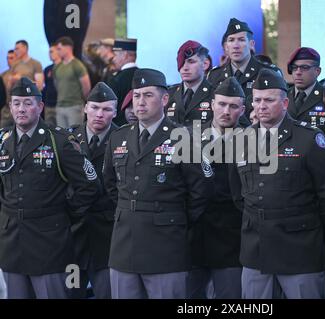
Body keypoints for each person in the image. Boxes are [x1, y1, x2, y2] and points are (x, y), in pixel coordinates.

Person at [229, 69, 325, 299]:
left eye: (269, 100)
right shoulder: (241, 139)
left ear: (285, 102)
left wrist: (309, 229)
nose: (261, 106)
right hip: (257, 249)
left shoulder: (308, 139)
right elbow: (239, 195)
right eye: (257, 100)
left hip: (300, 249)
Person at [103, 68, 210, 299]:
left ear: (164, 99)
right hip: (124, 243)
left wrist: (174, 220)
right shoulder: (118, 137)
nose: (140, 102)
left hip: (165, 244)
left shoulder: (182, 137)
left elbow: (199, 191)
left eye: (148, 95)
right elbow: (111, 185)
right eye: (137, 95)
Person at [0, 77, 99, 299]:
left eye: (27, 103)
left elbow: (90, 185)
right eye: (16, 103)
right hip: (11, 244)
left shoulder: (59, 140)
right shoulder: (3, 141)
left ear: (40, 107)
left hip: (49, 245)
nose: (21, 109)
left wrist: (66, 214)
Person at [187, 77, 247, 299]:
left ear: (242, 109)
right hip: (195, 237)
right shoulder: (190, 137)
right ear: (212, 104)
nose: (226, 111)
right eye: (221, 104)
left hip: (232, 239)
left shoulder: (254, 139)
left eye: (233, 106)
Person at [68, 82, 118, 299]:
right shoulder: (67, 140)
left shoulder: (124, 139)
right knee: (71, 294)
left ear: (115, 112)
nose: (100, 114)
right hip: (73, 240)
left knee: (107, 293)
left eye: (107, 109)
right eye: (95, 107)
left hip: (107, 240)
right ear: (85, 108)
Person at [208, 18, 282, 120]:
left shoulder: (269, 73)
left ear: (251, 44)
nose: (236, 45)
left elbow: (278, 110)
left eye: (241, 40)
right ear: (226, 47)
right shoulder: (215, 75)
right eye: (231, 40)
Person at [166, 41, 215, 126]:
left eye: (191, 62)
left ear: (205, 64)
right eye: (181, 62)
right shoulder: (169, 94)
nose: (185, 68)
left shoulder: (216, 94)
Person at [54, 36, 91, 128]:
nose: (57, 52)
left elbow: (86, 87)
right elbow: (57, 85)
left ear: (68, 48)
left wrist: (80, 100)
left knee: (75, 136)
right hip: (60, 106)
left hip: (74, 106)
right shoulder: (57, 67)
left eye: (59, 49)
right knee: (62, 136)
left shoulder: (77, 65)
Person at [107, 38, 138, 126]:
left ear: (124, 55)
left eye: (115, 55)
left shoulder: (116, 79)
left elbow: (111, 107)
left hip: (119, 128)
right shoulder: (143, 76)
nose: (113, 59)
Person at [42, 43, 61, 126]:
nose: (50, 54)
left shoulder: (65, 67)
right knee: (49, 130)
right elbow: (45, 86)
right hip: (49, 105)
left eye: (52, 51)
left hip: (60, 105)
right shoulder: (47, 69)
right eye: (49, 52)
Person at [0, 50, 16, 128]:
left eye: (11, 58)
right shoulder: (2, 75)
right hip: (5, 111)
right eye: (7, 58)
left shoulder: (22, 74)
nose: (9, 60)